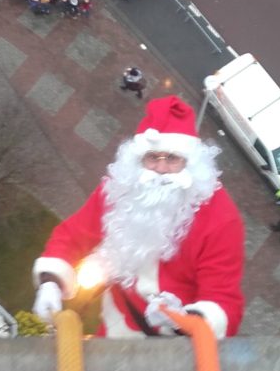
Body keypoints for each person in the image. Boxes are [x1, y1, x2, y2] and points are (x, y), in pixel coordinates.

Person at [31, 96, 245, 339]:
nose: (161, 169)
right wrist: (51, 282)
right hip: (112, 326)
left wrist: (183, 320)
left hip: (173, 346)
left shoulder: (221, 218)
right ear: (139, 160)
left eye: (172, 158)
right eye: (153, 157)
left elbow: (224, 302)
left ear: (190, 163)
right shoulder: (121, 188)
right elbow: (72, 235)